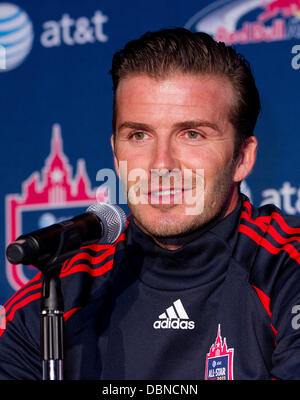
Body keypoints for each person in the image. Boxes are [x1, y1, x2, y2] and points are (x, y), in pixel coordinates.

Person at [0, 27, 300, 380]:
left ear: (243, 158)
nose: (161, 165)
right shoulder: (58, 294)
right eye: (139, 135)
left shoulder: (285, 268)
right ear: (115, 153)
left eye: (192, 134)